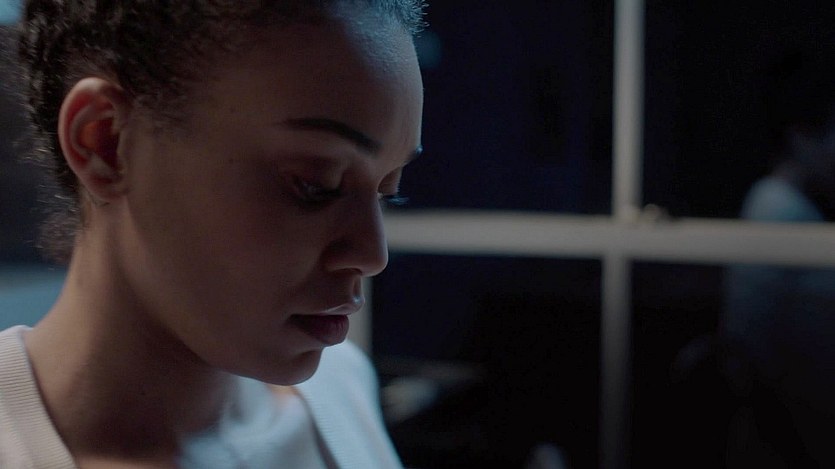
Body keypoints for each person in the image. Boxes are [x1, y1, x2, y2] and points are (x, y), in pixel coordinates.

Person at [0, 0, 426, 467]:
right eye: (315, 183)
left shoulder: (341, 387)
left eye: (388, 191)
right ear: (107, 142)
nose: (372, 254)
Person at [722, 48, 835, 468]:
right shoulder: (778, 210)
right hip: (787, 445)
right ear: (801, 137)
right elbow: (751, 356)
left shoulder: (787, 207)